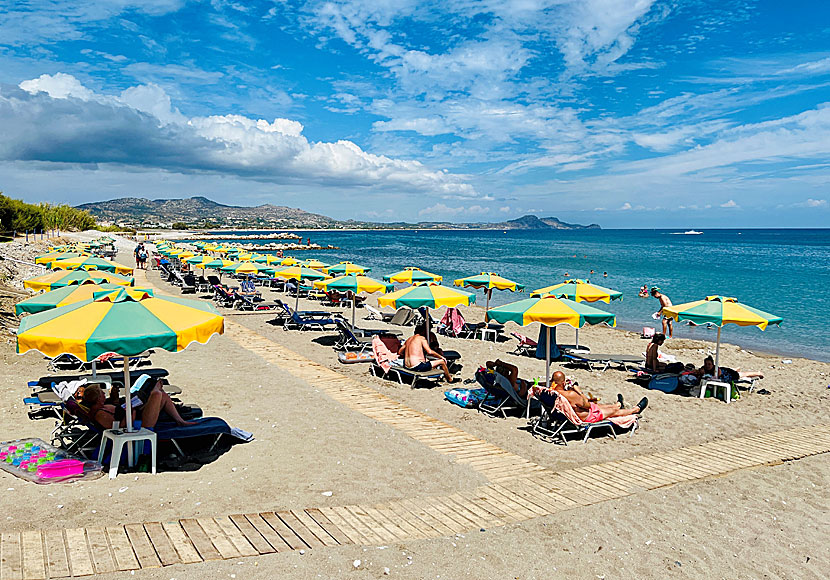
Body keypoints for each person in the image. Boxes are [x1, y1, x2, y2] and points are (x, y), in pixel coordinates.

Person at [534, 371, 646, 422]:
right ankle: (635, 410)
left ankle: (618, 404)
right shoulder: (571, 394)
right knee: (613, 412)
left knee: (603, 406)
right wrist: (579, 391)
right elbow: (587, 405)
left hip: (566, 414)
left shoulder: (548, 392)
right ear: (564, 383)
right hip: (586, 416)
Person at [81, 380, 194, 430]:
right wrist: (131, 410)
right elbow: (120, 428)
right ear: (97, 398)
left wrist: (116, 399)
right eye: (101, 393)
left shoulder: (104, 406)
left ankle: (180, 420)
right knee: (156, 393)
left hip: (138, 415)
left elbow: (118, 410)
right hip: (139, 425)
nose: (103, 394)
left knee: (162, 395)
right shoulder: (100, 414)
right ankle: (155, 388)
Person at [694, 355, 764, 382]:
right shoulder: (704, 368)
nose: (707, 366)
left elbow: (717, 377)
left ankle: (758, 373)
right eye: (706, 364)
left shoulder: (716, 370)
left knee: (741, 374)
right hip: (724, 369)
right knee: (730, 369)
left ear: (713, 364)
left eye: (709, 364)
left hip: (727, 374)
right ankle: (736, 368)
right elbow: (698, 372)